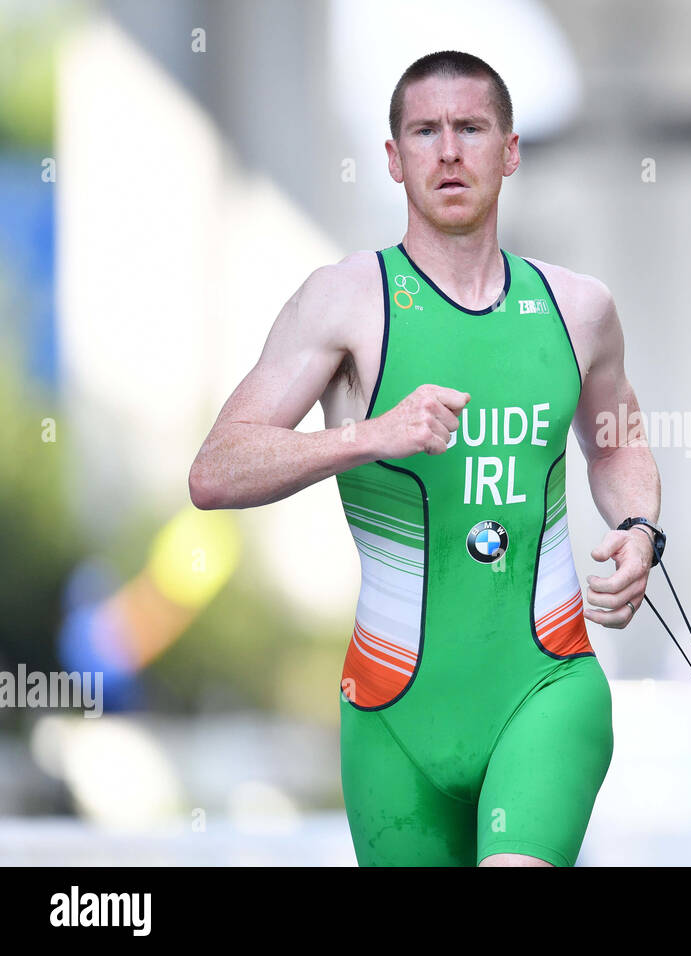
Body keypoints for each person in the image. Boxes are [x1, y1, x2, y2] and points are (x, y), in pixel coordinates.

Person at [188, 50, 664, 867]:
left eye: (471, 129)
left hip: (546, 684)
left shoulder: (578, 308)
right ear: (394, 158)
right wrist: (370, 434)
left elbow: (617, 446)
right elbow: (216, 470)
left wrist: (640, 529)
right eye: (426, 132)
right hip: (392, 711)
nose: (449, 152)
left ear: (509, 151)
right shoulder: (343, 300)